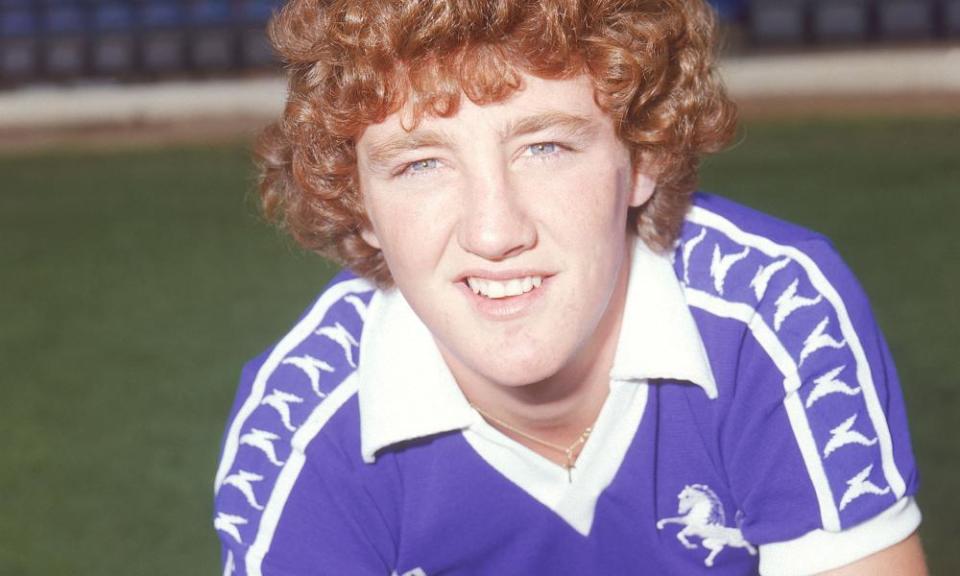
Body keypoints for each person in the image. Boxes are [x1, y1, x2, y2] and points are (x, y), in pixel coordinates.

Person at [213, 0, 926, 574]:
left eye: (544, 147)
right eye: (420, 165)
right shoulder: (300, 429)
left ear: (641, 157)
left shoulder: (773, 312)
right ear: (359, 202)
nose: (493, 232)